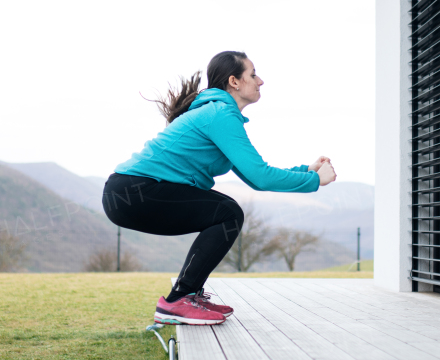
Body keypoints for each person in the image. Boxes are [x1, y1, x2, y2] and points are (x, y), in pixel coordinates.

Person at [103, 51, 336, 325]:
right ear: (234, 82)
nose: (261, 81)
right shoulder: (220, 114)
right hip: (133, 193)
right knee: (227, 212)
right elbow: (260, 177)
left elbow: (253, 175)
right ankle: (179, 299)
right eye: (253, 74)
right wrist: (314, 182)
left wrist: (305, 172)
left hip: (130, 193)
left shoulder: (218, 114)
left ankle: (187, 295)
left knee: (224, 212)